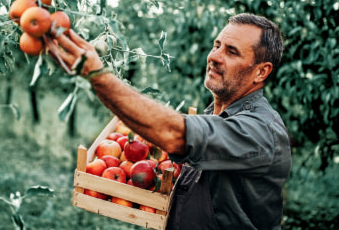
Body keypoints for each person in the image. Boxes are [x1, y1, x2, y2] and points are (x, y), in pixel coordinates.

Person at [47, 13, 291, 230]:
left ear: (261, 72)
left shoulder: (260, 131)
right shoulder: (213, 115)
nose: (214, 56)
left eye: (231, 52)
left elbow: (175, 134)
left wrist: (97, 74)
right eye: (217, 45)